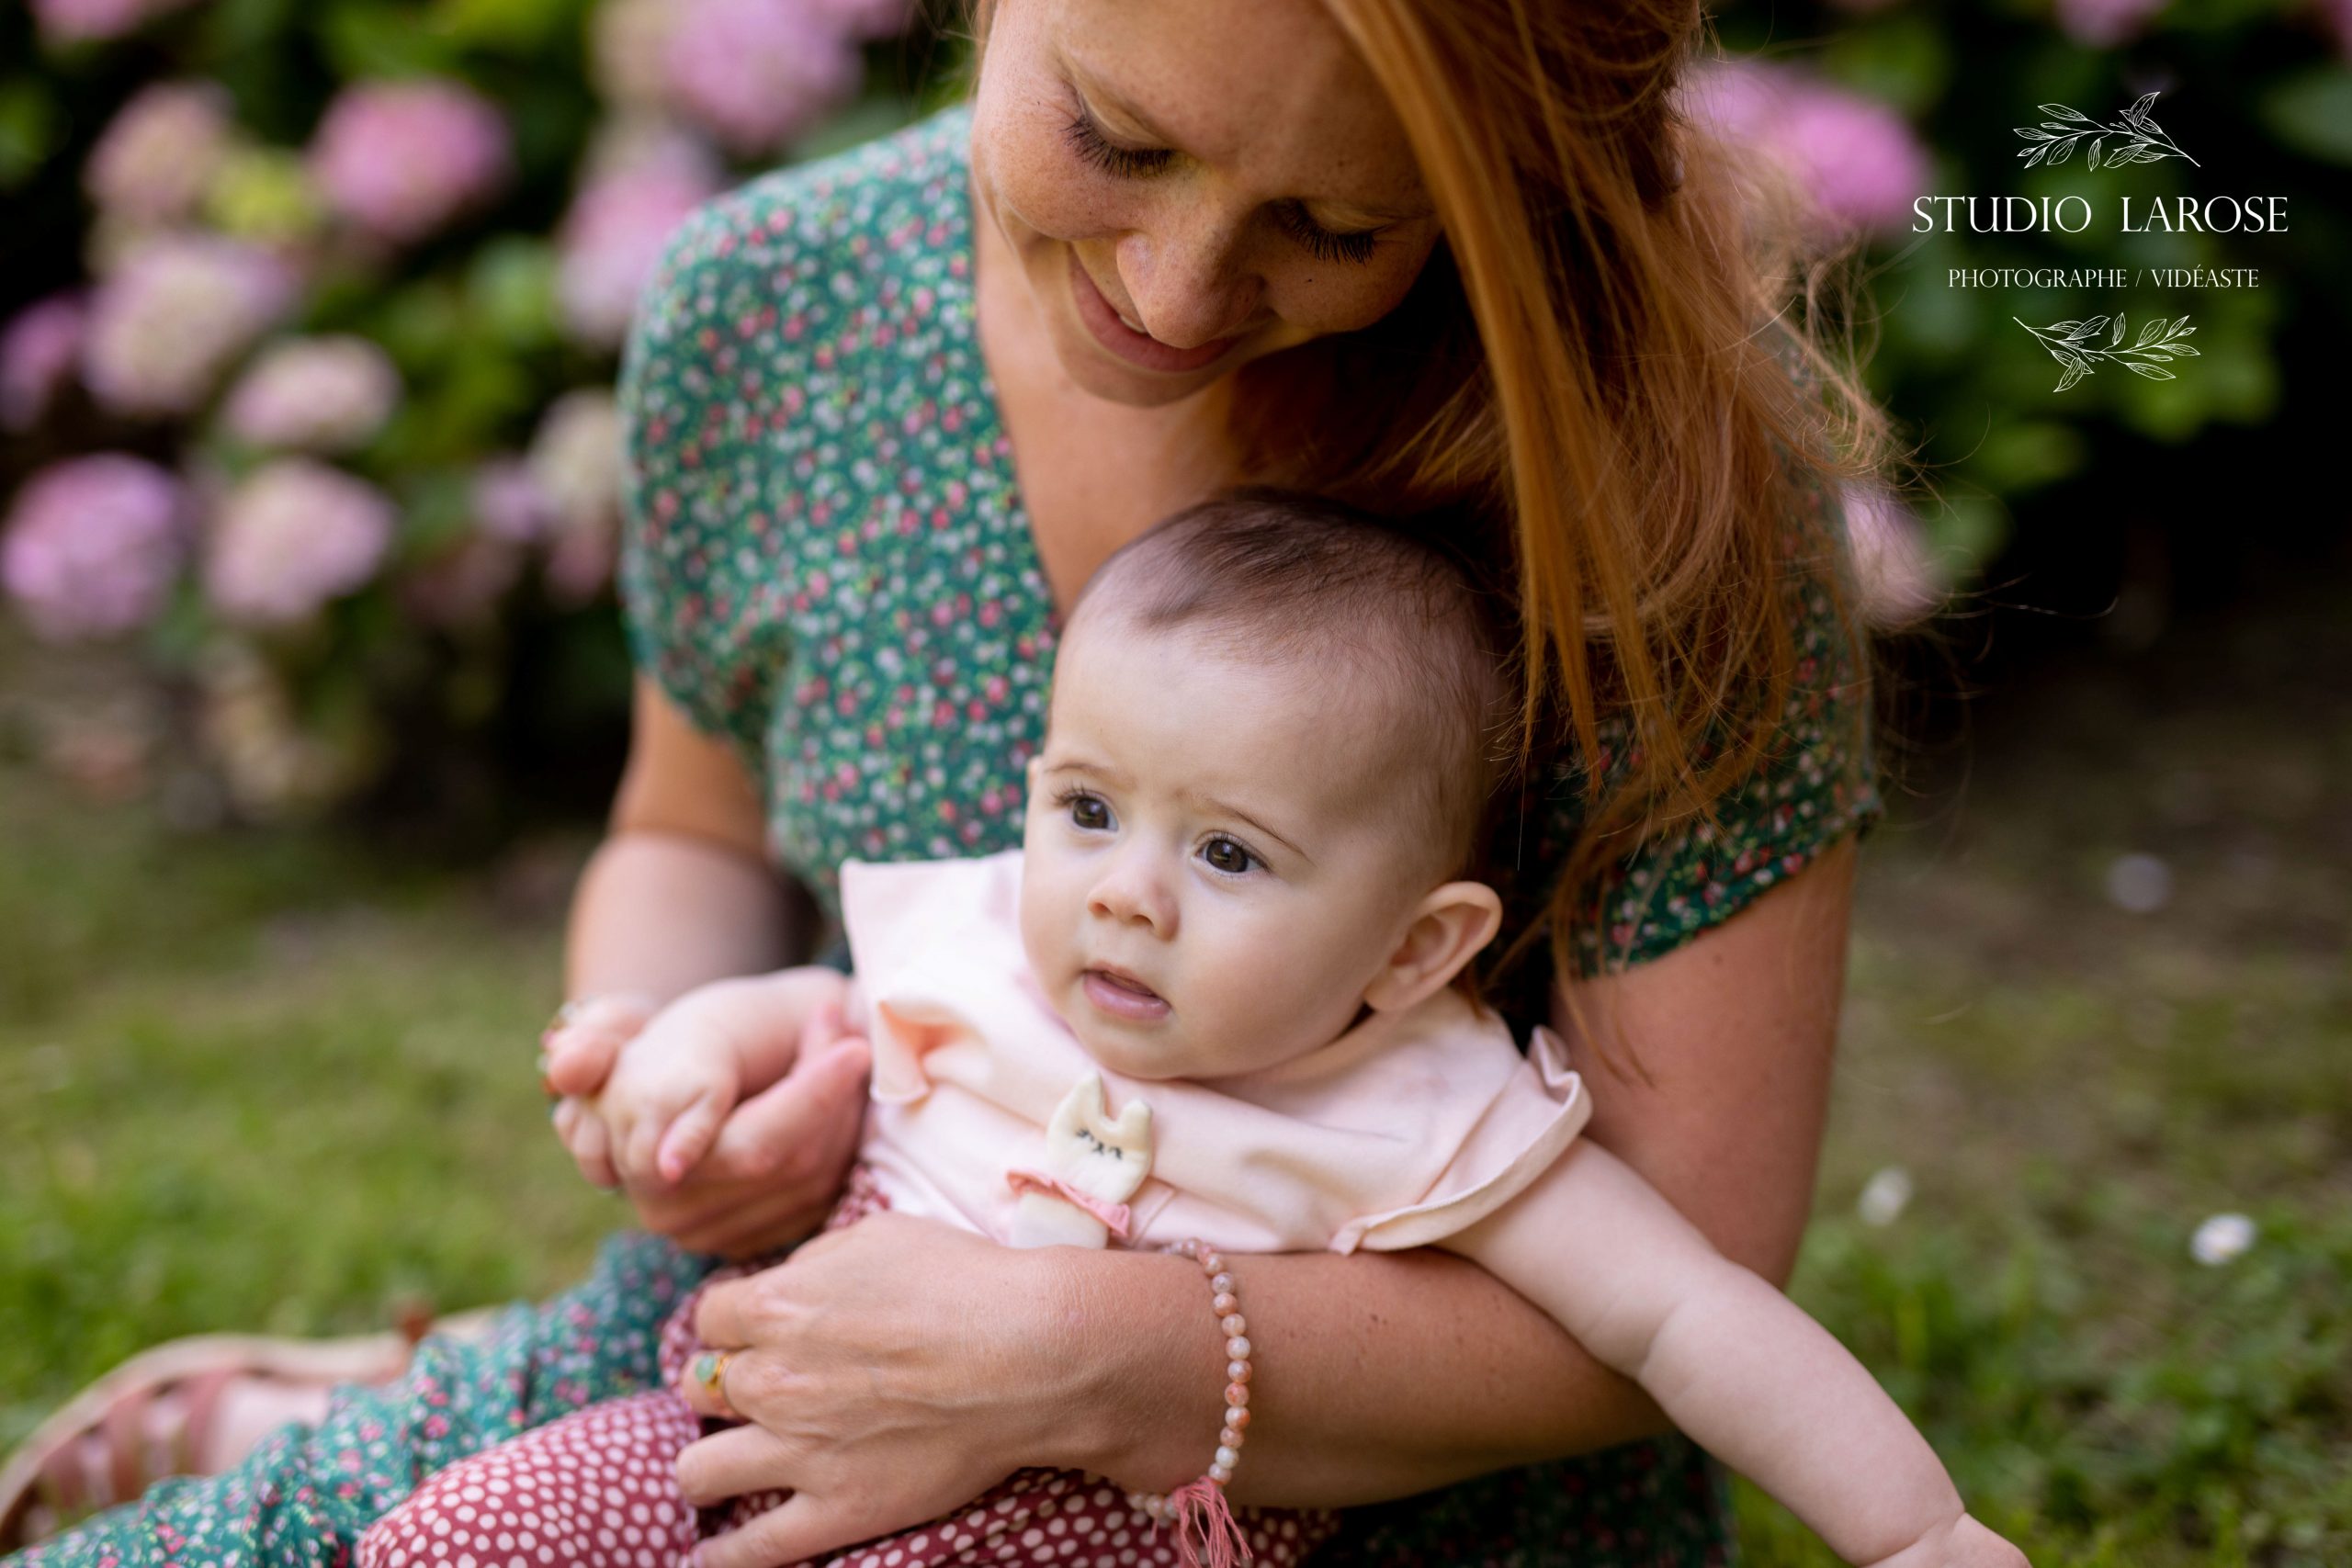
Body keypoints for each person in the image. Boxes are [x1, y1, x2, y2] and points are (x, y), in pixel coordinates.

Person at [1, 0, 1913, 1563]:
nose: (1177, 289)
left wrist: (1109, 1357)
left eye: (1337, 227)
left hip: (1381, 1490)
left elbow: (1679, 1282)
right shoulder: (772, 308)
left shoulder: (1653, 481)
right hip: (768, 1363)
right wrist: (672, 1071)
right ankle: (396, 1404)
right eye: (1116, 136)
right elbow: (685, 834)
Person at [356, 495, 2016, 1568]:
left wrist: (1919, 1532)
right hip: (743, 1449)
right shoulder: (998, 950)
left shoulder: (1421, 1102)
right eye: (1088, 811)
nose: (1127, 897)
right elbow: (817, 1012)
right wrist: (685, 1054)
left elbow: (1683, 1313)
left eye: (1229, 855)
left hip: (1079, 1539)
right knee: (457, 1535)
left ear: (1414, 947)